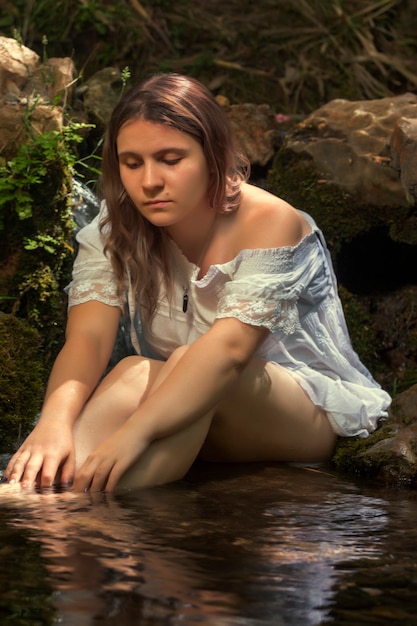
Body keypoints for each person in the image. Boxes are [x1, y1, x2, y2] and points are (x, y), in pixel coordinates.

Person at [4, 73, 391, 492]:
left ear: (213, 155)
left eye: (170, 160)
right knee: (135, 369)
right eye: (132, 163)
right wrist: (52, 425)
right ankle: (39, 499)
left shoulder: (271, 222)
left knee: (195, 362)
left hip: (298, 415)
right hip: (178, 411)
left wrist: (135, 432)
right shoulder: (114, 229)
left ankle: (68, 507)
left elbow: (228, 351)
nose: (149, 181)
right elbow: (89, 341)